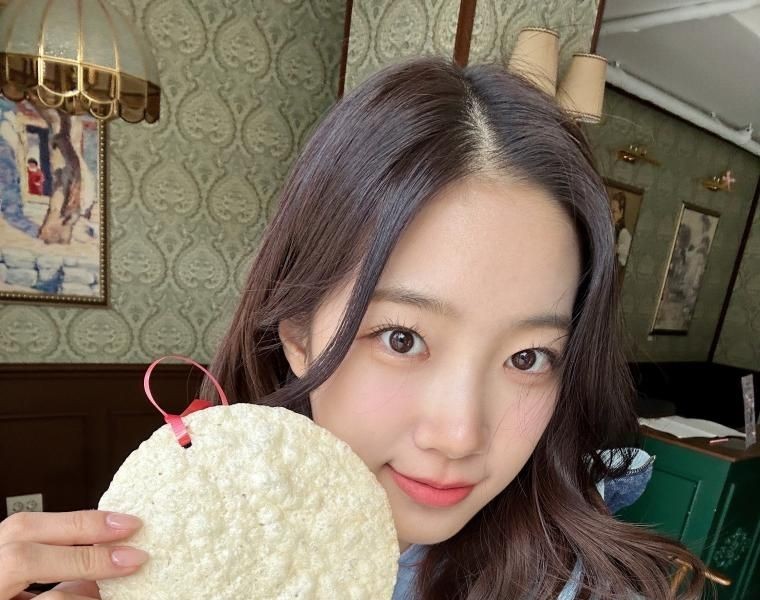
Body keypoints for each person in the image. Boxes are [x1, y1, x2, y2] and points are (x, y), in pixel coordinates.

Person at [0, 57, 704, 600]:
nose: (460, 435)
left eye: (528, 357)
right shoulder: (181, 553)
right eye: (402, 339)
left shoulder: (582, 587)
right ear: (297, 329)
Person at [610, 191, 632, 269]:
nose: (610, 215)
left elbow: (623, 261)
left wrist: (615, 248)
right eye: (609, 210)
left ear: (621, 212)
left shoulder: (624, 233)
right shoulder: (610, 229)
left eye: (614, 211)